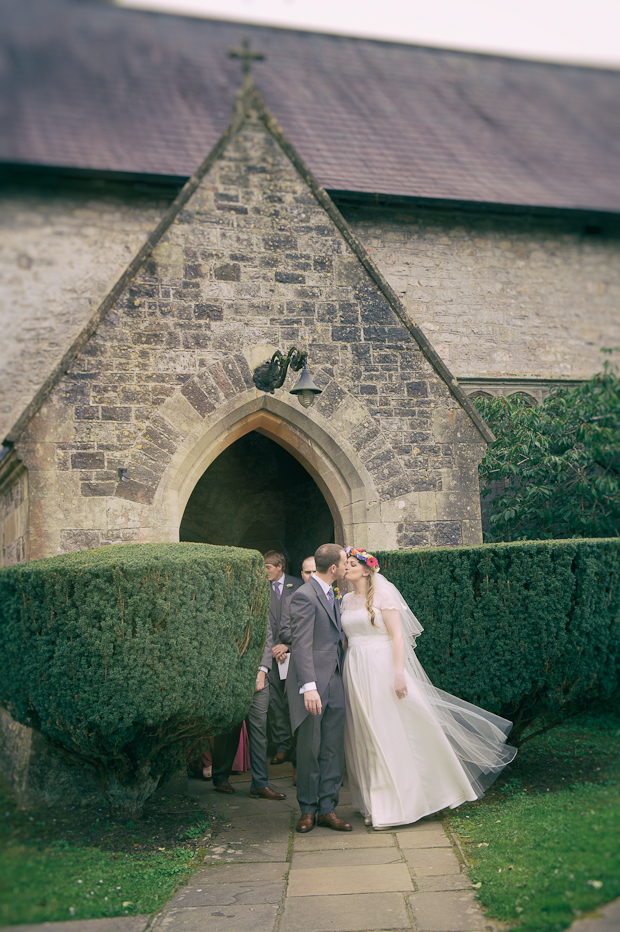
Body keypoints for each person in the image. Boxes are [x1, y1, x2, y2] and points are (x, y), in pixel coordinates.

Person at [341, 547, 517, 830]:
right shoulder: (346, 600)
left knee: (390, 731)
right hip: (356, 669)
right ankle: (377, 803)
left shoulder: (383, 596)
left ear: (365, 570)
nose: (346, 567)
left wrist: (399, 674)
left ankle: (406, 801)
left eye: (351, 564)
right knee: (365, 735)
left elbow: (397, 636)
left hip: (382, 667)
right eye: (345, 564)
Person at [286, 543, 351, 834]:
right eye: (345, 561)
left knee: (332, 747)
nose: (348, 565)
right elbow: (300, 644)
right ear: (334, 568)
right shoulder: (303, 595)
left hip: (335, 680)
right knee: (310, 749)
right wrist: (309, 687)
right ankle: (307, 810)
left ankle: (328, 808)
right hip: (312, 685)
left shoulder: (333, 593)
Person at [211, 595, 286, 800]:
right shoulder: (223, 606)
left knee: (259, 730)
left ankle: (260, 784)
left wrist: (261, 672)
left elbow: (267, 638)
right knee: (228, 729)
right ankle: (220, 777)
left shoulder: (259, 604)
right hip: (230, 679)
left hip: (259, 679)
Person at [264, 551, 303, 765]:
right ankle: (282, 745)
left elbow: (305, 623)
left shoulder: (298, 586)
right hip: (270, 655)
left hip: (294, 653)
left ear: (280, 566)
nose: (265, 571)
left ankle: (299, 747)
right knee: (275, 701)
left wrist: (287, 645)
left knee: (295, 700)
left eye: (268, 567)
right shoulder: (260, 588)